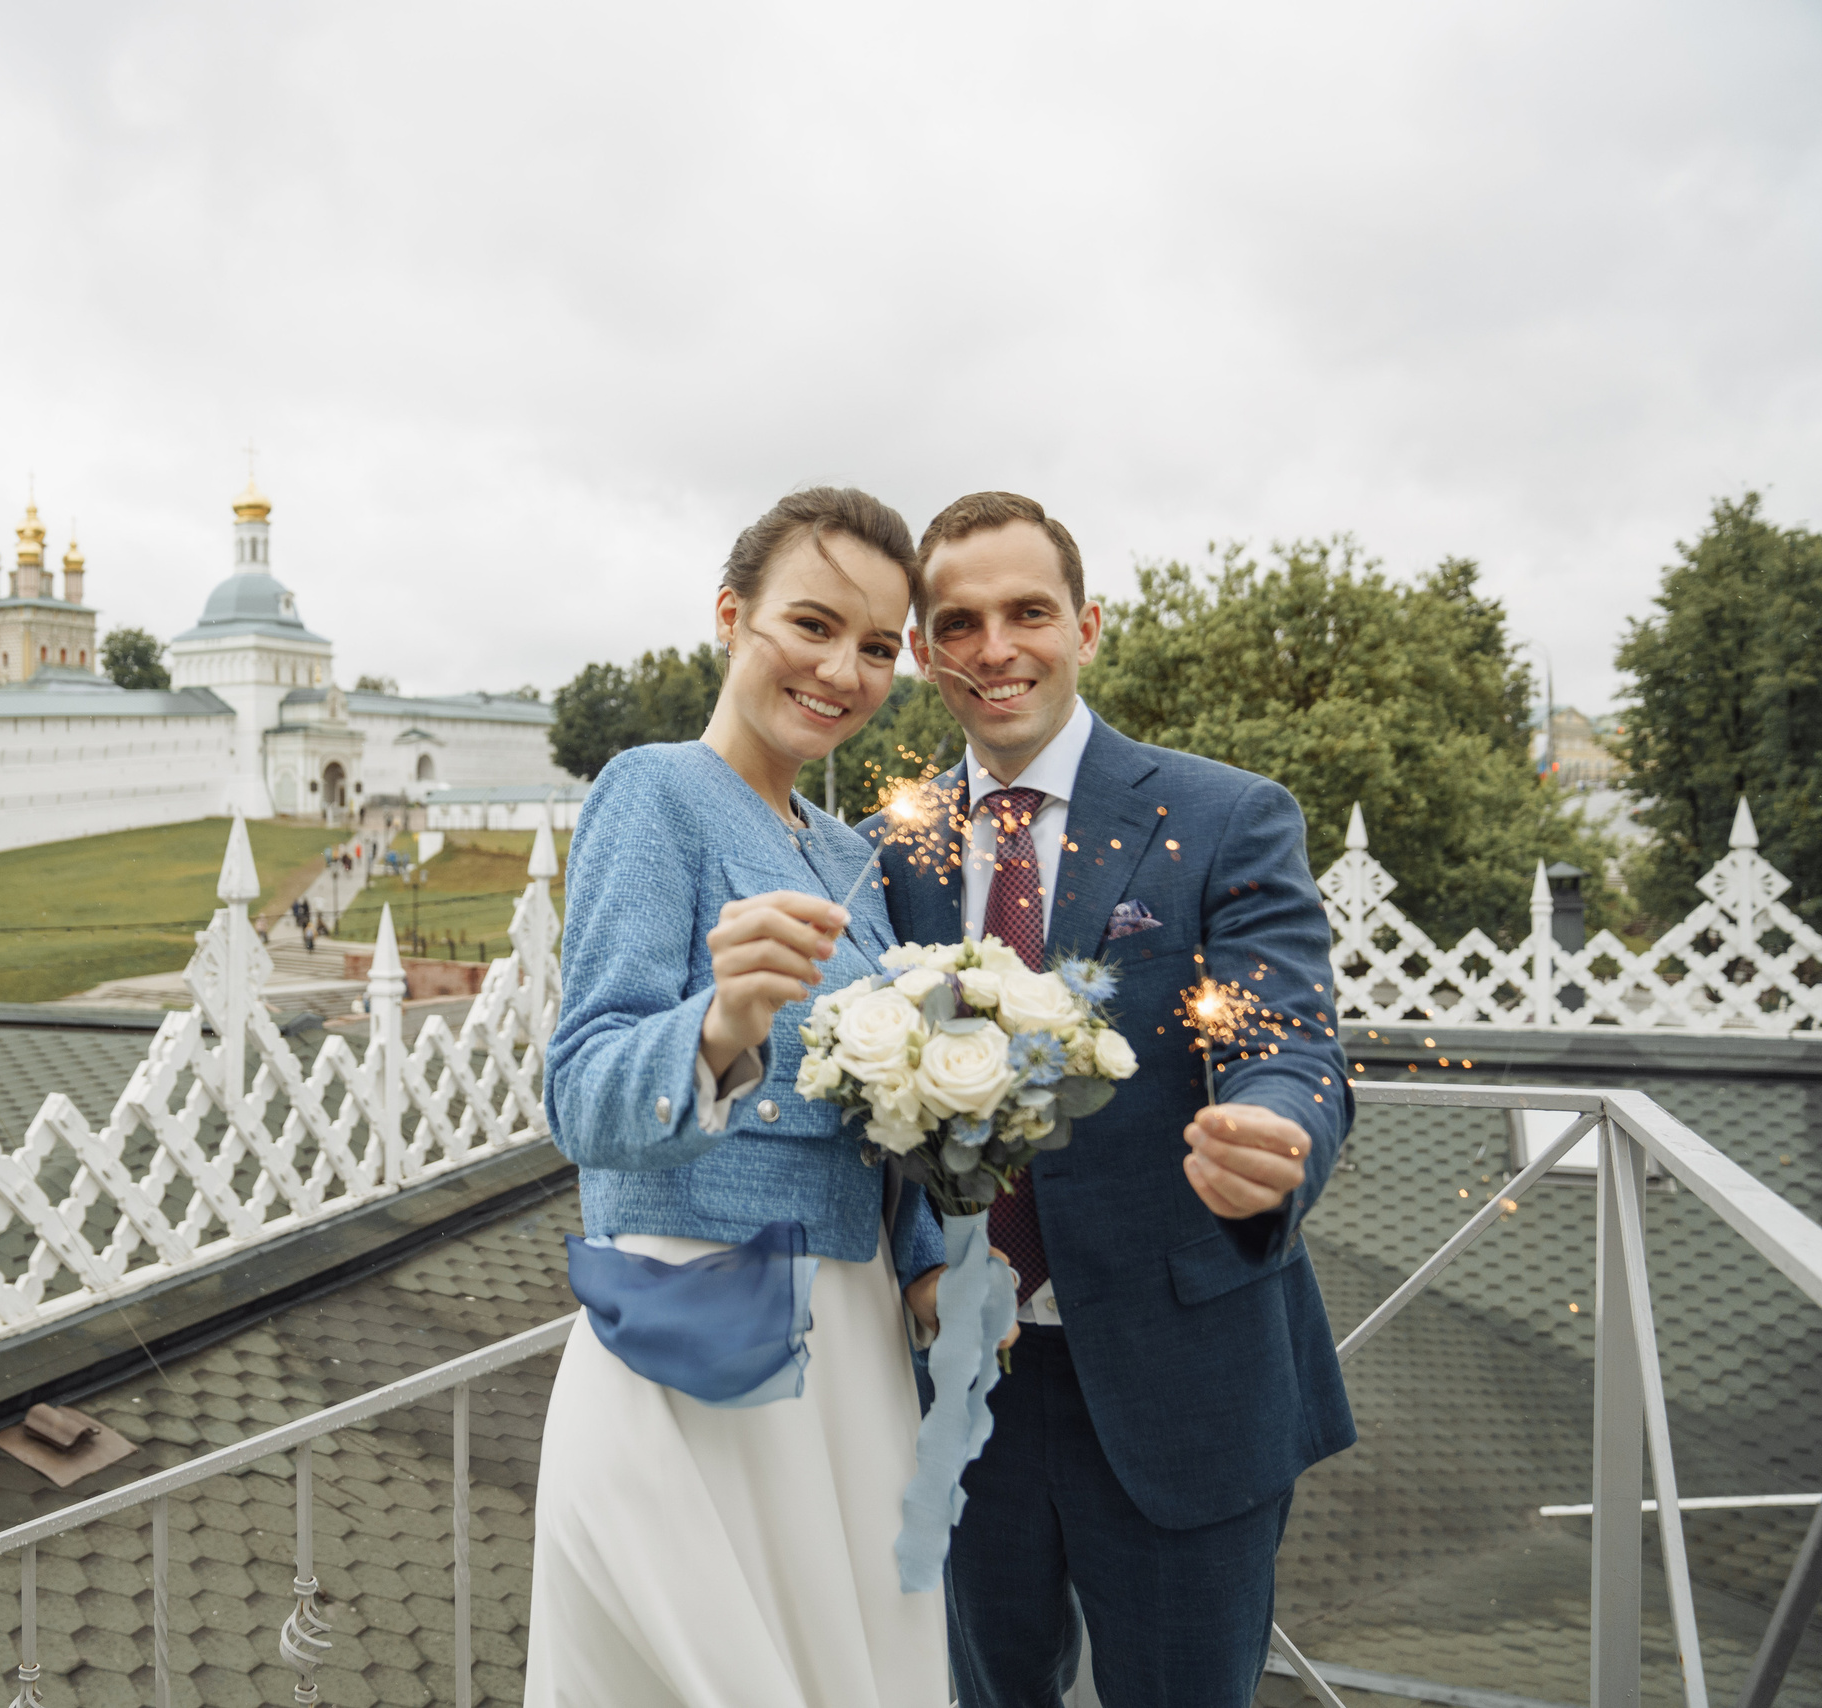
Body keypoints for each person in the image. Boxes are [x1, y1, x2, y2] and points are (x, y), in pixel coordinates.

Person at [862, 493, 1355, 1706]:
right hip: (961, 1384)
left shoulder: (1223, 815)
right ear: (923, 650)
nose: (995, 648)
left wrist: (1275, 1126)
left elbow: (1284, 1035)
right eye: (958, 623)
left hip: (1182, 1381)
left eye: (1028, 612)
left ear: (1084, 626)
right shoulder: (884, 851)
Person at [526, 487, 961, 1708]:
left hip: (856, 1345)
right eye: (811, 625)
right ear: (730, 615)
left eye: (875, 646)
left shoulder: (850, 853)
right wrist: (719, 1025)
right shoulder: (652, 791)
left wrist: (928, 1263)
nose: (841, 671)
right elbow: (581, 1094)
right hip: (700, 1326)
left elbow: (883, 1115)